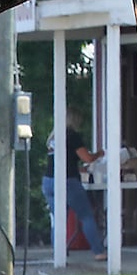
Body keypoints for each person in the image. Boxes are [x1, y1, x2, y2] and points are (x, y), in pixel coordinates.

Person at [43, 108, 107, 262]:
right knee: (86, 216)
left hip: (48, 181)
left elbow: (61, 161)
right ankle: (99, 251)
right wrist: (100, 153)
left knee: (57, 218)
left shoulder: (53, 138)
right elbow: (87, 157)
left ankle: (58, 252)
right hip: (68, 181)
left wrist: (78, 168)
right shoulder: (72, 136)